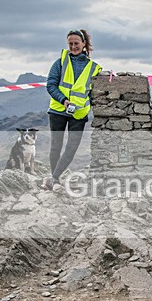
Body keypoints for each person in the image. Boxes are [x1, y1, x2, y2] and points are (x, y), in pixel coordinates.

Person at [44, 29, 101, 190]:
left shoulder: (94, 68)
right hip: (57, 110)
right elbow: (51, 85)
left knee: (72, 147)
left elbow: (94, 92)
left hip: (79, 113)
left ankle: (54, 177)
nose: (73, 46)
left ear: (84, 44)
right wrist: (64, 100)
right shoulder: (60, 62)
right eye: (70, 44)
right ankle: (54, 179)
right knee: (56, 146)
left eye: (76, 43)